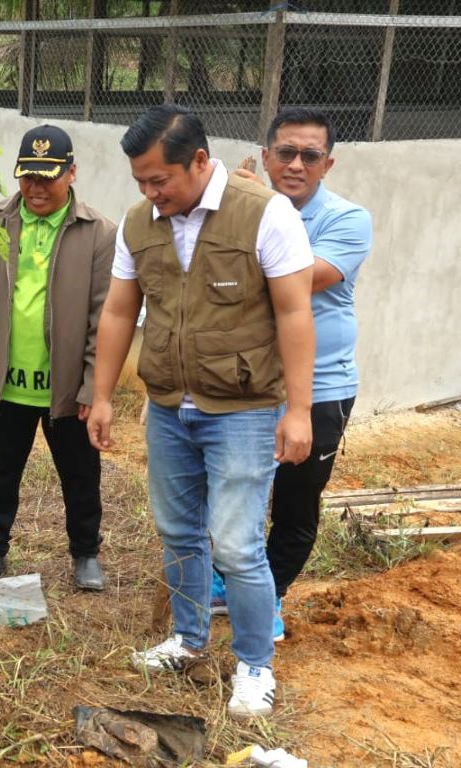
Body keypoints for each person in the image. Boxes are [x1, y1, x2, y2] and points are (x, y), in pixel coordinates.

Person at [86, 105, 315, 719]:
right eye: (141, 182)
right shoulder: (141, 223)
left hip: (242, 408)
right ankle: (188, 641)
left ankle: (254, 665)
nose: (150, 193)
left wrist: (299, 410)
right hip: (168, 406)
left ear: (199, 162)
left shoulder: (266, 214)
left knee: (237, 545)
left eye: (160, 180)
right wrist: (103, 394)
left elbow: (295, 313)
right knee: (179, 532)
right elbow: (117, 312)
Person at [211, 109, 372, 640]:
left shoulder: (348, 220)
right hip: (250, 383)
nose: (296, 164)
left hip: (321, 388)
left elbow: (300, 279)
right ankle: (226, 580)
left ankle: (269, 595)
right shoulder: (242, 209)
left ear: (328, 164)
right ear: (265, 156)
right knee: (236, 489)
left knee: (296, 501)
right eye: (286, 153)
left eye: (309, 156)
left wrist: (262, 208)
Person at [0, 124, 115, 591]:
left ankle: (86, 554)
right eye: (28, 177)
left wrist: (92, 387)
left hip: (63, 386)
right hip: (6, 382)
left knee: (80, 475)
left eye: (48, 177)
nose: (36, 188)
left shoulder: (97, 233)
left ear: (72, 172)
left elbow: (104, 317)